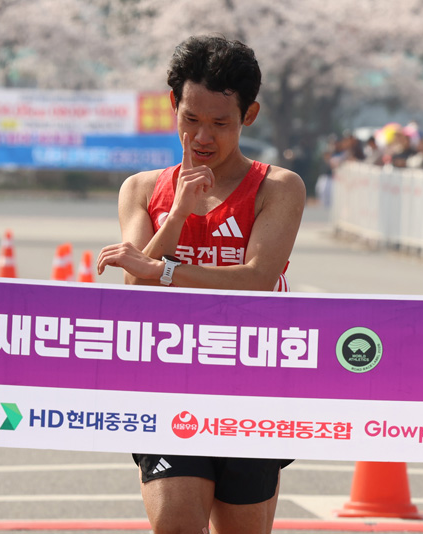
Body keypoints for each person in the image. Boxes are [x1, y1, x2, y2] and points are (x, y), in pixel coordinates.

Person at [96, 35, 305, 533]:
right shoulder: (143, 188)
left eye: (220, 124)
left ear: (248, 116)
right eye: (191, 119)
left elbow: (256, 279)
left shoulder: (278, 187)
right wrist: (178, 214)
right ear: (173, 105)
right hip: (168, 383)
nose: (202, 138)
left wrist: (166, 271)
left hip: (253, 385)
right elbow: (136, 283)